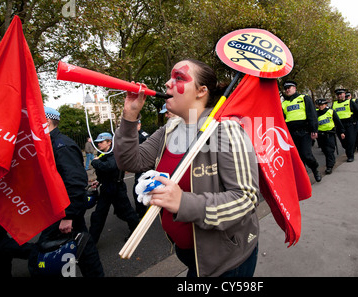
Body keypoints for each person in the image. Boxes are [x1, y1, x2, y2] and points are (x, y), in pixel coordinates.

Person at [113, 59, 260, 277]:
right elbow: (131, 162)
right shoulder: (170, 129)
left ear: (201, 91)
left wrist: (183, 202)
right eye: (171, 78)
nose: (167, 83)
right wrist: (130, 116)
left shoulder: (226, 130)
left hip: (226, 261)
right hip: (190, 257)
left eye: (179, 78)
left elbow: (246, 199)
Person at [29, 107, 104, 277]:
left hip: (64, 210)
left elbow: (75, 183)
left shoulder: (62, 146)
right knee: (83, 248)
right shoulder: (50, 144)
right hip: (60, 209)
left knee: (40, 258)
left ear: (47, 121)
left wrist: (67, 215)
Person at [89, 132, 140, 244]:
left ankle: (137, 231)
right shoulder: (101, 153)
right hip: (106, 188)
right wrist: (98, 181)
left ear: (109, 142)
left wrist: (94, 162)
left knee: (126, 212)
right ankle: (90, 243)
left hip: (117, 189)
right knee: (98, 215)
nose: (99, 145)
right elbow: (103, 172)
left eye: (101, 142)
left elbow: (110, 167)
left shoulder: (115, 153)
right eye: (98, 143)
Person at [281, 80, 321, 182]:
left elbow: (312, 114)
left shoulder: (304, 98)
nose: (287, 90)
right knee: (297, 157)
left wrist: (314, 129)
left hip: (304, 132)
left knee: (306, 154)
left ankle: (315, 169)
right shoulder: (284, 103)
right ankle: (303, 177)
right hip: (291, 134)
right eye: (286, 88)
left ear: (295, 88)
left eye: (289, 87)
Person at [332, 89, 358, 162]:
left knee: (350, 140)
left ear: (344, 94)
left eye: (341, 94)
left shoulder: (350, 102)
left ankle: (350, 156)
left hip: (349, 124)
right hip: (339, 125)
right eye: (338, 94)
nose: (339, 96)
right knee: (344, 142)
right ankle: (350, 150)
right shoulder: (334, 104)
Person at [316, 99, 345, 174]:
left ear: (326, 105)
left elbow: (338, 122)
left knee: (329, 150)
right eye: (319, 105)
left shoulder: (331, 111)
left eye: (322, 105)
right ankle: (331, 161)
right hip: (320, 135)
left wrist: (342, 132)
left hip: (330, 134)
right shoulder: (315, 113)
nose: (320, 107)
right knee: (325, 150)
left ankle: (329, 166)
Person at [133, 120, 149, 218]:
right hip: (138, 166)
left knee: (139, 189)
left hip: (144, 166)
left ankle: (142, 212)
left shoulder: (143, 135)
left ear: (139, 124)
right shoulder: (135, 135)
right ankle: (140, 210)